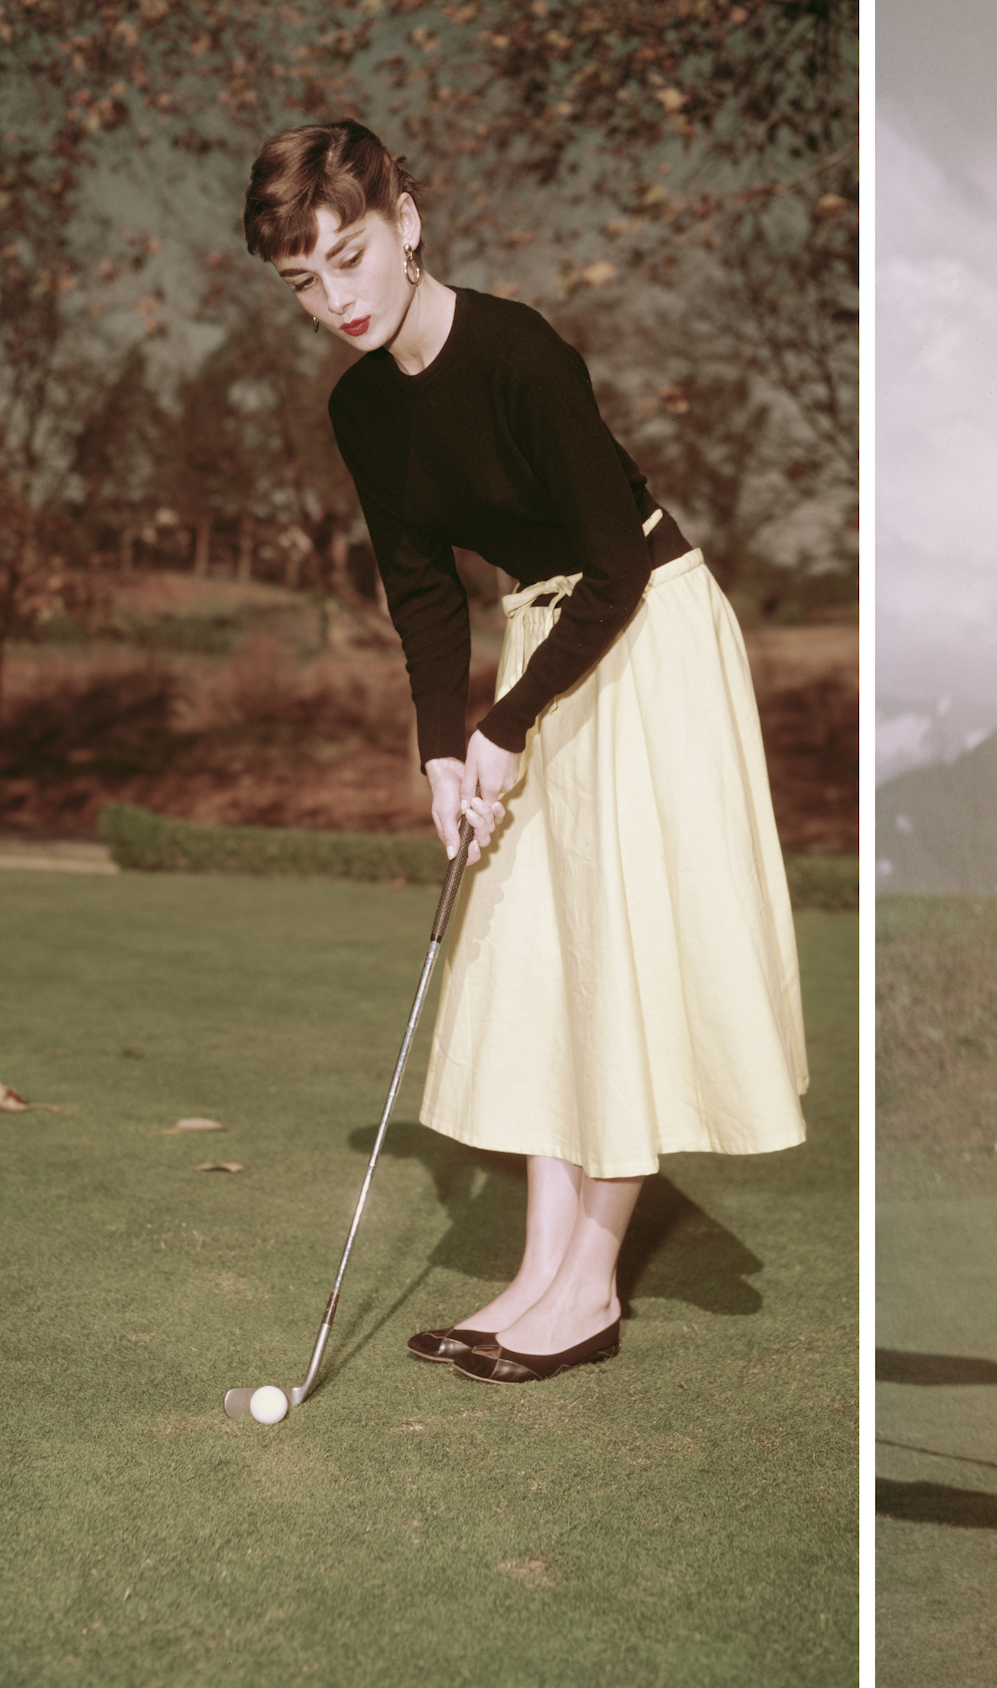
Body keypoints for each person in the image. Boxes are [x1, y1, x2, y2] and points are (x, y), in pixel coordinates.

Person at [240, 120, 808, 1385]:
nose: (336, 298)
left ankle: (590, 1286)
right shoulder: (360, 410)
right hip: (538, 638)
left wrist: (505, 724)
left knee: (617, 950)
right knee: (546, 958)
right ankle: (543, 1270)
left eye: (350, 255)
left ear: (409, 220)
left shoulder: (523, 354)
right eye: (304, 281)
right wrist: (443, 754)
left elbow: (615, 570)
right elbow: (425, 599)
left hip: (643, 633)